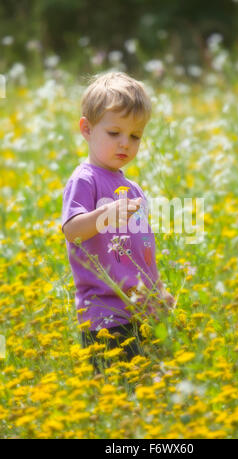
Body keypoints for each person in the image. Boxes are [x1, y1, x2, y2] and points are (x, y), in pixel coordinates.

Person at [61, 71, 175, 374]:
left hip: (141, 309)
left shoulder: (134, 189)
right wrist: (106, 214)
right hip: (105, 316)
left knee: (149, 386)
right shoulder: (85, 180)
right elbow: (72, 231)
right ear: (87, 129)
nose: (125, 143)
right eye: (114, 133)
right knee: (118, 391)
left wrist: (157, 290)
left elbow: (142, 250)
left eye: (135, 136)